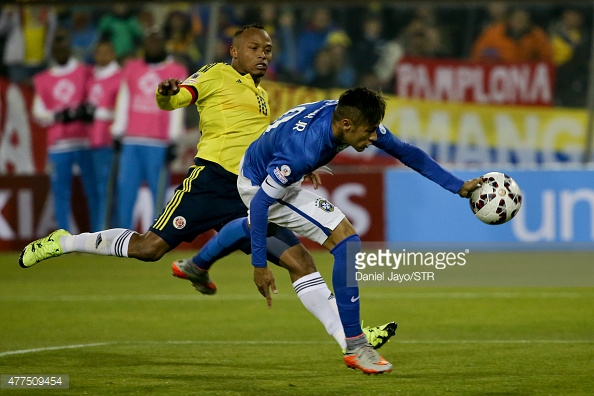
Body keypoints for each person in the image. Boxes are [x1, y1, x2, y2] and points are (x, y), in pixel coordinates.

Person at [19, 24, 396, 368]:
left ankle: (350, 341)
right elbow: (178, 96)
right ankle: (66, 242)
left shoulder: (261, 95)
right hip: (211, 183)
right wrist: (167, 94)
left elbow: (266, 144)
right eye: (254, 48)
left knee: (301, 262)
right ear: (234, 51)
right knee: (149, 248)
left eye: (267, 49)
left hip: (253, 191)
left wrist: (299, 165)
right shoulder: (218, 73)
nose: (263, 54)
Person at [228, 87, 480, 373]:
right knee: (346, 243)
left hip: (273, 170)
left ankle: (354, 343)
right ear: (346, 124)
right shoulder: (303, 150)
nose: (373, 137)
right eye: (369, 131)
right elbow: (261, 203)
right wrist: (259, 264)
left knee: (336, 248)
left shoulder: (348, 116)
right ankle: (356, 346)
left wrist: (458, 186)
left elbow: (407, 153)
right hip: (257, 188)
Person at [110, 27, 187, 229]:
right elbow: (124, 99)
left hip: (158, 142)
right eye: (149, 41)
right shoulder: (132, 68)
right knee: (125, 192)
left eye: (157, 41)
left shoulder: (175, 71)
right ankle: (122, 238)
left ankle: (157, 238)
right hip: (131, 140)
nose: (152, 45)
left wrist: (173, 139)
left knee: (158, 194)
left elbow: (177, 106)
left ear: (163, 44)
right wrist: (118, 132)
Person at [31, 27, 97, 232]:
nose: (60, 50)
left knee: (92, 191)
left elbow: (94, 99)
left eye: (63, 45)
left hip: (84, 141)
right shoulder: (43, 79)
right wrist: (61, 115)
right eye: (56, 47)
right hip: (59, 145)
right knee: (60, 193)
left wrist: (82, 112)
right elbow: (38, 112)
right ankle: (63, 238)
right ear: (52, 51)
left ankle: (97, 235)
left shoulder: (84, 72)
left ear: (69, 47)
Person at [85, 40, 122, 230]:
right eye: (99, 52)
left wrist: (98, 112)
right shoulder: (91, 77)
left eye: (107, 52)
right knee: (96, 190)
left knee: (107, 190)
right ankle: (99, 231)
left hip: (108, 140)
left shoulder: (119, 77)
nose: (102, 56)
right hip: (91, 140)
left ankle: (103, 233)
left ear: (114, 54)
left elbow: (122, 110)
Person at [471, 7, 553, 63]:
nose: (519, 21)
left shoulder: (537, 35)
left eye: (523, 19)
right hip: (499, 76)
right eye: (516, 18)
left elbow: (547, 59)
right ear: (509, 19)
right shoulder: (493, 34)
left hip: (526, 78)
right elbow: (478, 56)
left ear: (529, 21)